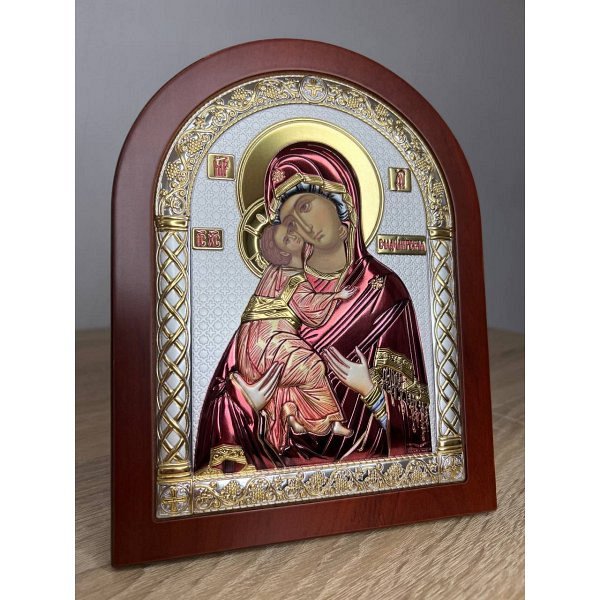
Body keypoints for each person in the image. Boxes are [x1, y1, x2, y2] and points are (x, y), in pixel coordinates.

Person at [194, 142, 431, 474]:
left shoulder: (382, 292)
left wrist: (371, 390)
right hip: (273, 467)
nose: (297, 224)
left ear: (343, 204)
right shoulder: (278, 290)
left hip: (362, 472)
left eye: (304, 206)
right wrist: (246, 402)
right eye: (286, 220)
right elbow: (227, 389)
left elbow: (417, 425)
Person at [233, 222, 355, 453]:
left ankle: (291, 416)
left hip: (251, 347)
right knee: (313, 367)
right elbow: (310, 308)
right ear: (283, 253)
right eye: (287, 239)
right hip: (267, 343)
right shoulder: (293, 278)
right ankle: (327, 421)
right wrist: (336, 295)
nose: (294, 236)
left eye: (291, 232)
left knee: (287, 379)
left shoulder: (272, 272)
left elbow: (309, 248)